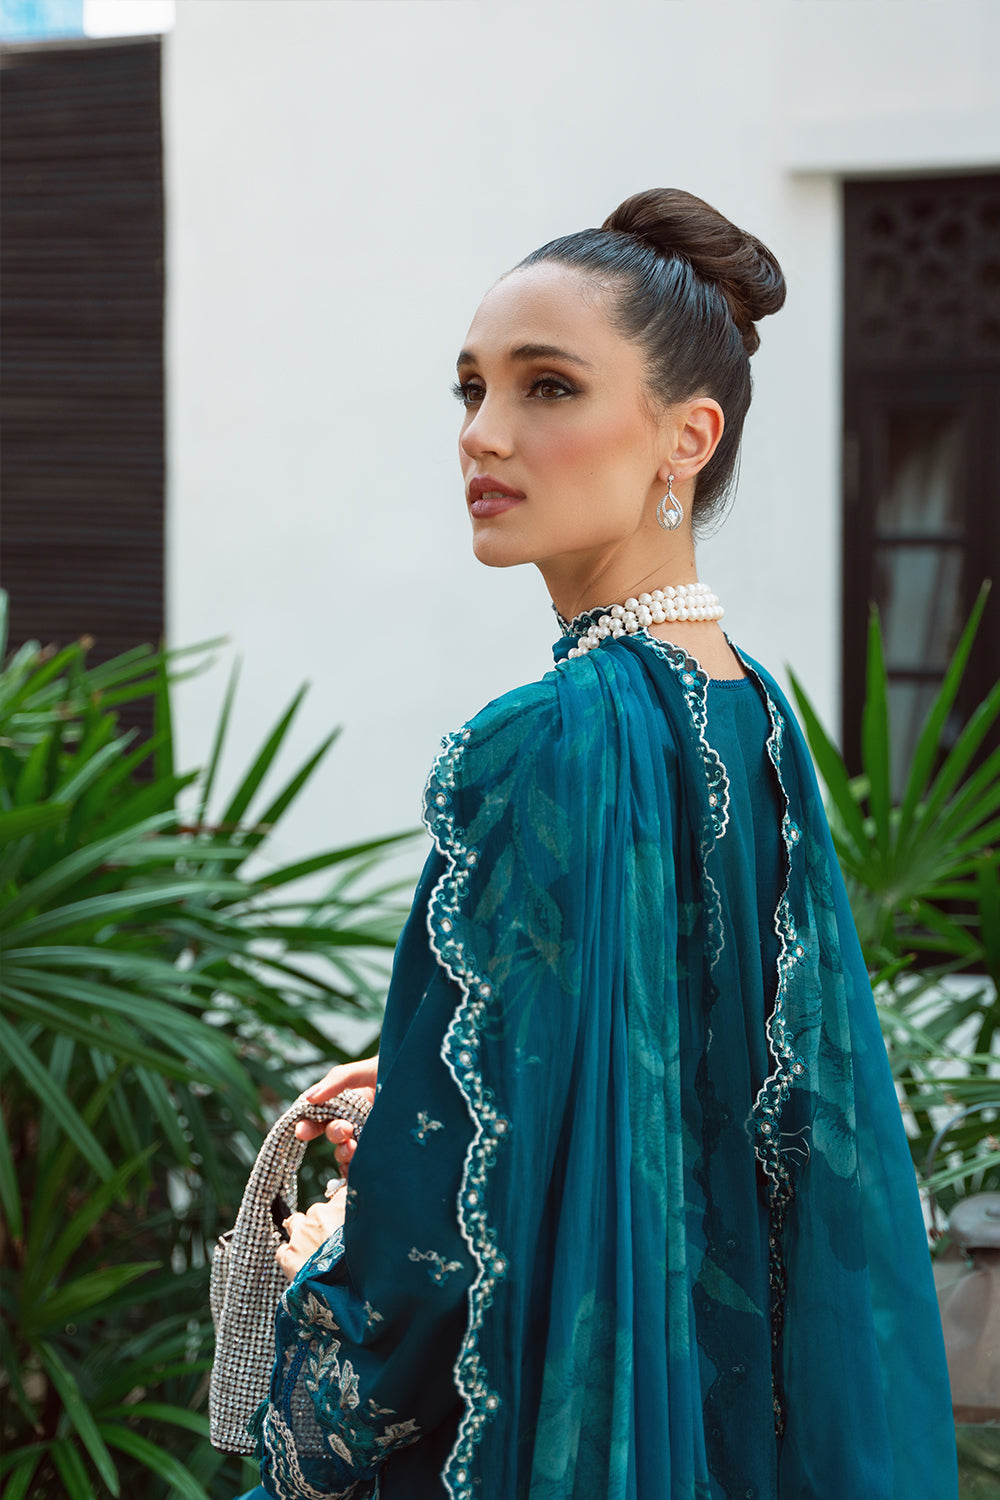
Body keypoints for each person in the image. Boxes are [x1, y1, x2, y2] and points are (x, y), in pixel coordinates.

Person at [241, 189, 958, 1499]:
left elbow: (431, 1254)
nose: (485, 432)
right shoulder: (757, 713)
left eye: (549, 387)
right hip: (734, 1430)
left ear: (688, 436)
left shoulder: (546, 742)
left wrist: (321, 1290)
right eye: (472, 389)